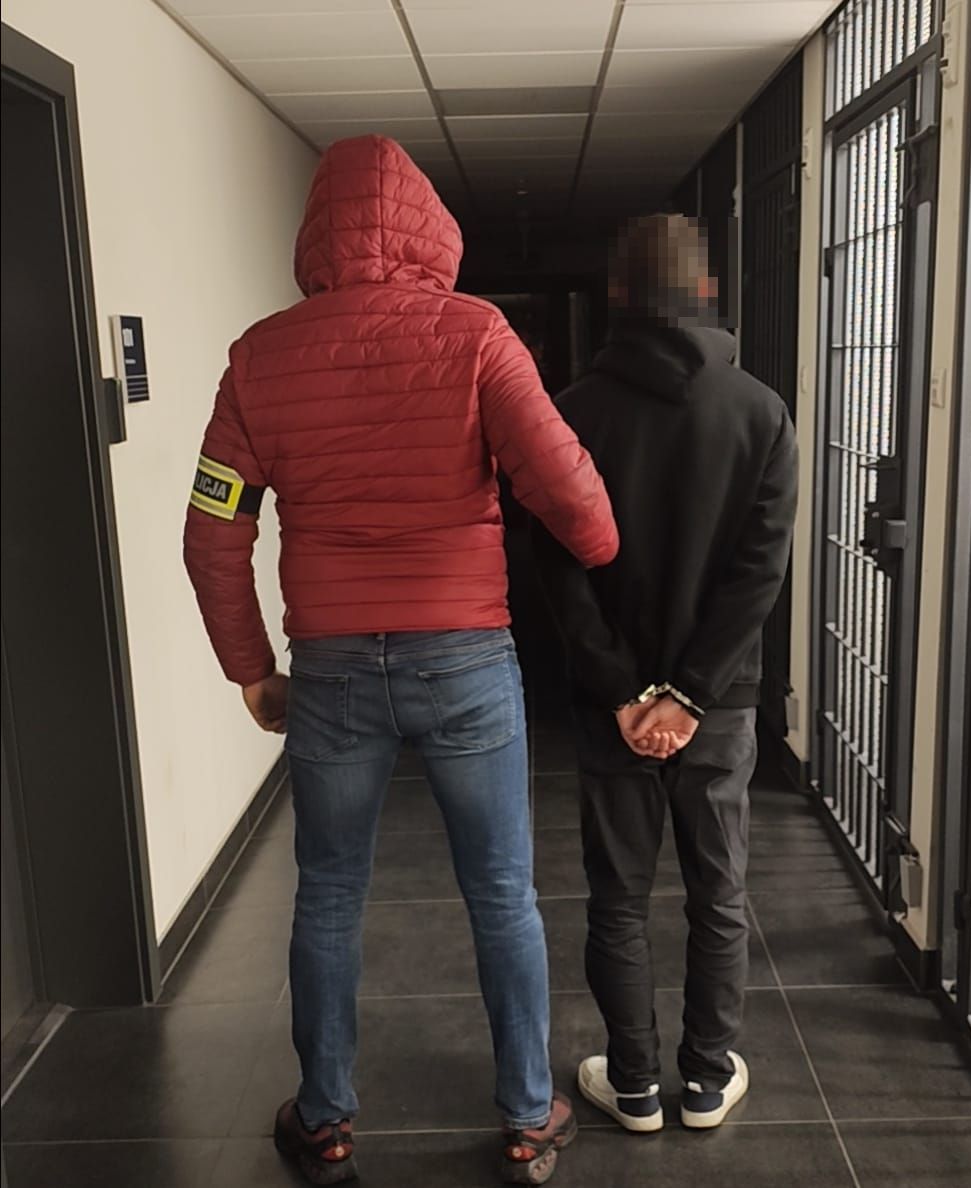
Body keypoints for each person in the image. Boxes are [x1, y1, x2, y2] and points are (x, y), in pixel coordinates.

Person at [183, 135, 618, 1187]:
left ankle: (324, 1119)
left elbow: (211, 531)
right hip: (465, 659)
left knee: (328, 894)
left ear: (313, 236)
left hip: (330, 668)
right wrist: (599, 543)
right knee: (502, 892)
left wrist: (252, 670)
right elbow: (570, 494)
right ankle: (528, 1116)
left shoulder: (259, 356)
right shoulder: (476, 333)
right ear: (431, 230)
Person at [532, 213, 797, 1134]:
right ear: (706, 292)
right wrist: (691, 694)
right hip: (718, 709)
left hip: (612, 709)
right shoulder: (761, 412)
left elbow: (558, 569)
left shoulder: (572, 413)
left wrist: (623, 688)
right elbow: (759, 572)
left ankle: (635, 1085)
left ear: (619, 297)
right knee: (718, 895)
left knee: (619, 900)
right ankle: (708, 1080)